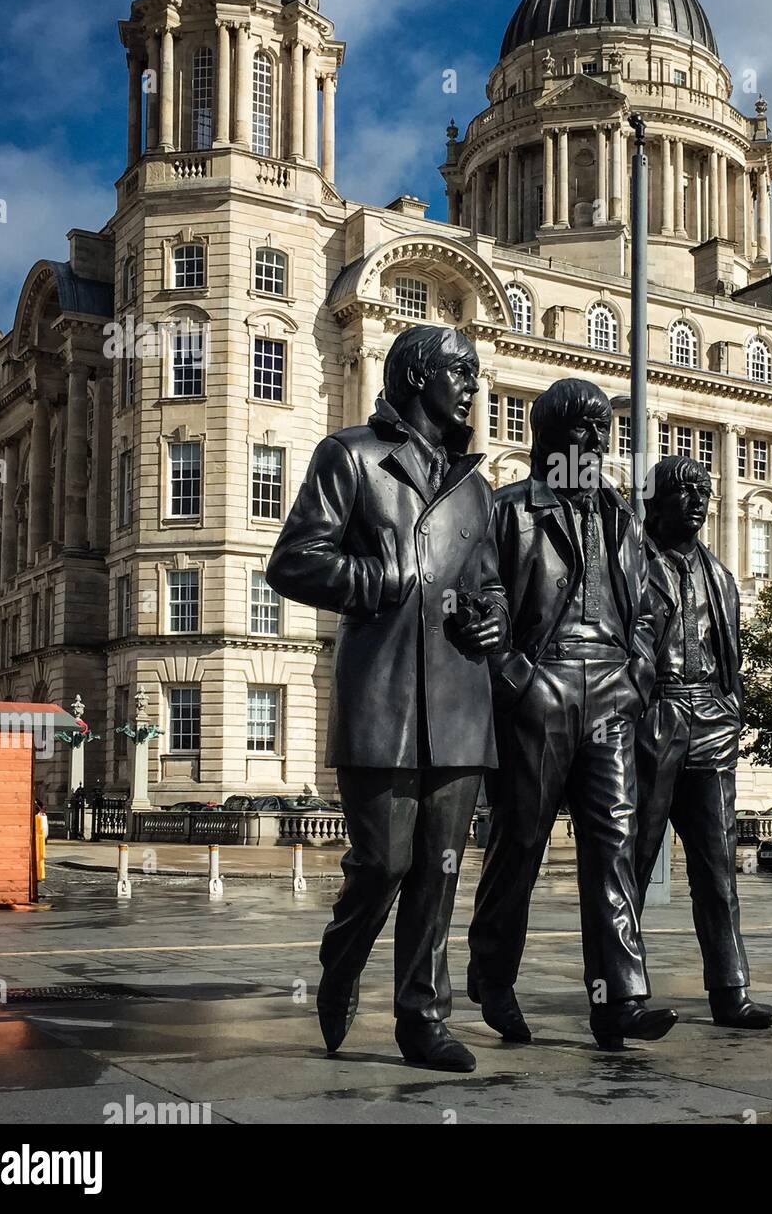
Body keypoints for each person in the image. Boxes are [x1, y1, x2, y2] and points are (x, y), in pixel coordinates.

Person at [267, 324, 507, 1072]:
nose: (472, 386)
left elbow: (490, 579)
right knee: (382, 863)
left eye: (474, 372)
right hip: (384, 694)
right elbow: (294, 561)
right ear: (415, 376)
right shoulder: (352, 457)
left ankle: (423, 1019)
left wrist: (493, 612)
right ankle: (342, 958)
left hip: (462, 699)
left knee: (438, 868)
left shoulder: (477, 488)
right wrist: (379, 580)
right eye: (459, 372)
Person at [466, 378, 678, 1050]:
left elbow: (644, 612)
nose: (595, 441)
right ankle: (492, 975)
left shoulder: (623, 519)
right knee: (520, 843)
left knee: (615, 847)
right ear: (549, 437)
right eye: (581, 429)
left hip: (612, 690)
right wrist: (515, 680)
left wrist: (638, 673)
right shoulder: (508, 510)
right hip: (542, 688)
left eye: (602, 429)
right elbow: (483, 599)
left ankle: (620, 1000)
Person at [634, 456, 772, 1030]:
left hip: (711, 720)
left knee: (718, 869)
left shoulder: (719, 574)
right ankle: (624, 992)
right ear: (656, 501)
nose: (697, 500)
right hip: (656, 715)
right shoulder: (631, 562)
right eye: (684, 490)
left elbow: (730, 655)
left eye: (704, 491)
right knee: (634, 865)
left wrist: (732, 709)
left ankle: (730, 989)